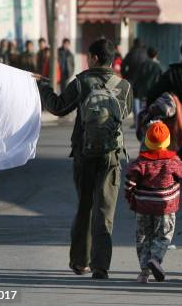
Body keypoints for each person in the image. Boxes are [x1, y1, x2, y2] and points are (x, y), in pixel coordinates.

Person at [37, 38, 132, 280]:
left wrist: (43, 87)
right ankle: (101, 266)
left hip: (84, 153)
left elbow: (58, 107)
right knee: (105, 210)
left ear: (95, 58)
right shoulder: (125, 87)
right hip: (112, 156)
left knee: (85, 207)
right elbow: (124, 114)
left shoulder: (82, 82)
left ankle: (80, 262)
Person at [125, 121, 182, 283]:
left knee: (143, 237)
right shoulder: (172, 160)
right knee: (164, 235)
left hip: (143, 206)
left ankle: (144, 273)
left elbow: (129, 183)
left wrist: (131, 199)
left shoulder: (140, 162)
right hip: (165, 206)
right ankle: (155, 259)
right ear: (167, 140)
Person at [122, 38, 149, 127]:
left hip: (132, 80)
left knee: (135, 100)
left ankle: (136, 122)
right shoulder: (146, 54)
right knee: (143, 101)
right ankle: (143, 121)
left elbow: (123, 65)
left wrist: (125, 75)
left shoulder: (131, 53)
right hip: (144, 81)